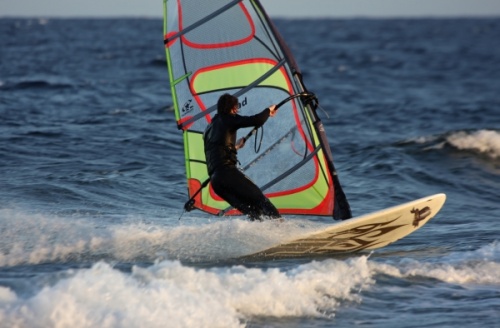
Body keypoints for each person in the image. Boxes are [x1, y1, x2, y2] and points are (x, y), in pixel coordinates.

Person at [203, 93, 281, 221]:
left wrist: (236, 147)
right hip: (228, 174)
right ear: (233, 108)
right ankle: (282, 228)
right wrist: (269, 110)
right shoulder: (228, 118)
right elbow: (257, 120)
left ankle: (266, 236)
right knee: (261, 200)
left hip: (216, 183)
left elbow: (216, 150)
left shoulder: (209, 128)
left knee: (254, 213)